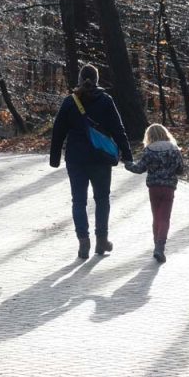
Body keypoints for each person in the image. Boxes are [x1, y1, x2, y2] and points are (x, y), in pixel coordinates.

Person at [49, 64, 132, 259]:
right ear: (96, 79)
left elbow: (58, 131)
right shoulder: (105, 101)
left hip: (76, 160)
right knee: (102, 199)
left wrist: (54, 159)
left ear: (79, 80)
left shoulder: (70, 102)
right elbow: (119, 129)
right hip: (100, 159)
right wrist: (128, 155)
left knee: (78, 201)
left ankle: (83, 242)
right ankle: (101, 241)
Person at [125, 123, 184, 263]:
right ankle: (160, 247)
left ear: (149, 136)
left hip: (154, 188)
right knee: (165, 218)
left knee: (156, 217)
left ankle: (156, 245)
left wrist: (128, 164)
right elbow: (180, 169)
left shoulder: (149, 150)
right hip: (169, 187)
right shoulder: (174, 149)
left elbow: (139, 168)